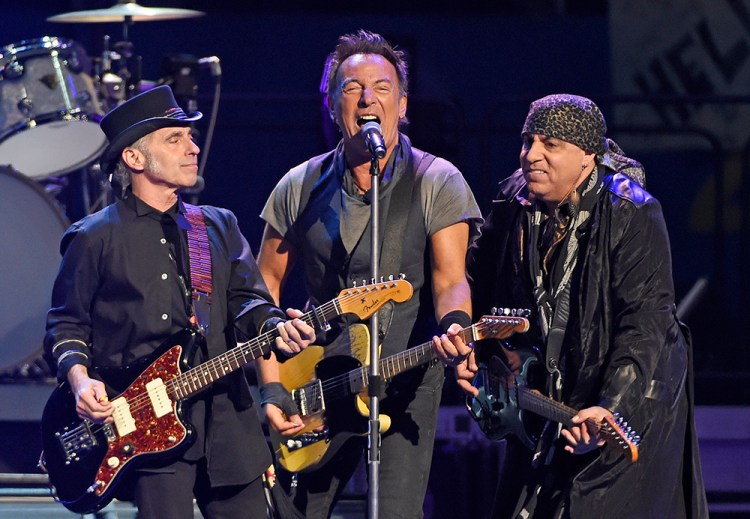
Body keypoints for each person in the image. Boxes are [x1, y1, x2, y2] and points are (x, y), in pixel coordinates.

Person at [43, 85, 316, 519]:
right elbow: (65, 326)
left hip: (228, 423)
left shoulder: (216, 224)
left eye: (190, 137)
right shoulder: (94, 236)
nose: (192, 148)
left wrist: (274, 328)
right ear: (134, 158)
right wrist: (79, 381)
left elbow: (250, 302)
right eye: (175, 139)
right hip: (150, 432)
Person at [434, 93, 708, 518]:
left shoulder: (632, 213)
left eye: (551, 145)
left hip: (624, 411)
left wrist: (611, 406)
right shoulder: (513, 204)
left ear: (588, 157)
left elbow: (645, 324)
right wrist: (477, 349)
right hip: (546, 408)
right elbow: (477, 286)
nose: (531, 156)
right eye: (527, 141)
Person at [255, 29, 482, 518]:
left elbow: (450, 279)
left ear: (402, 105)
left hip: (403, 379)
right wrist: (273, 389)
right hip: (317, 381)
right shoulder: (298, 185)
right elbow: (262, 291)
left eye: (382, 87)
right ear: (333, 104)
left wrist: (456, 325)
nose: (366, 98)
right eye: (351, 87)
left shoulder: (437, 179)